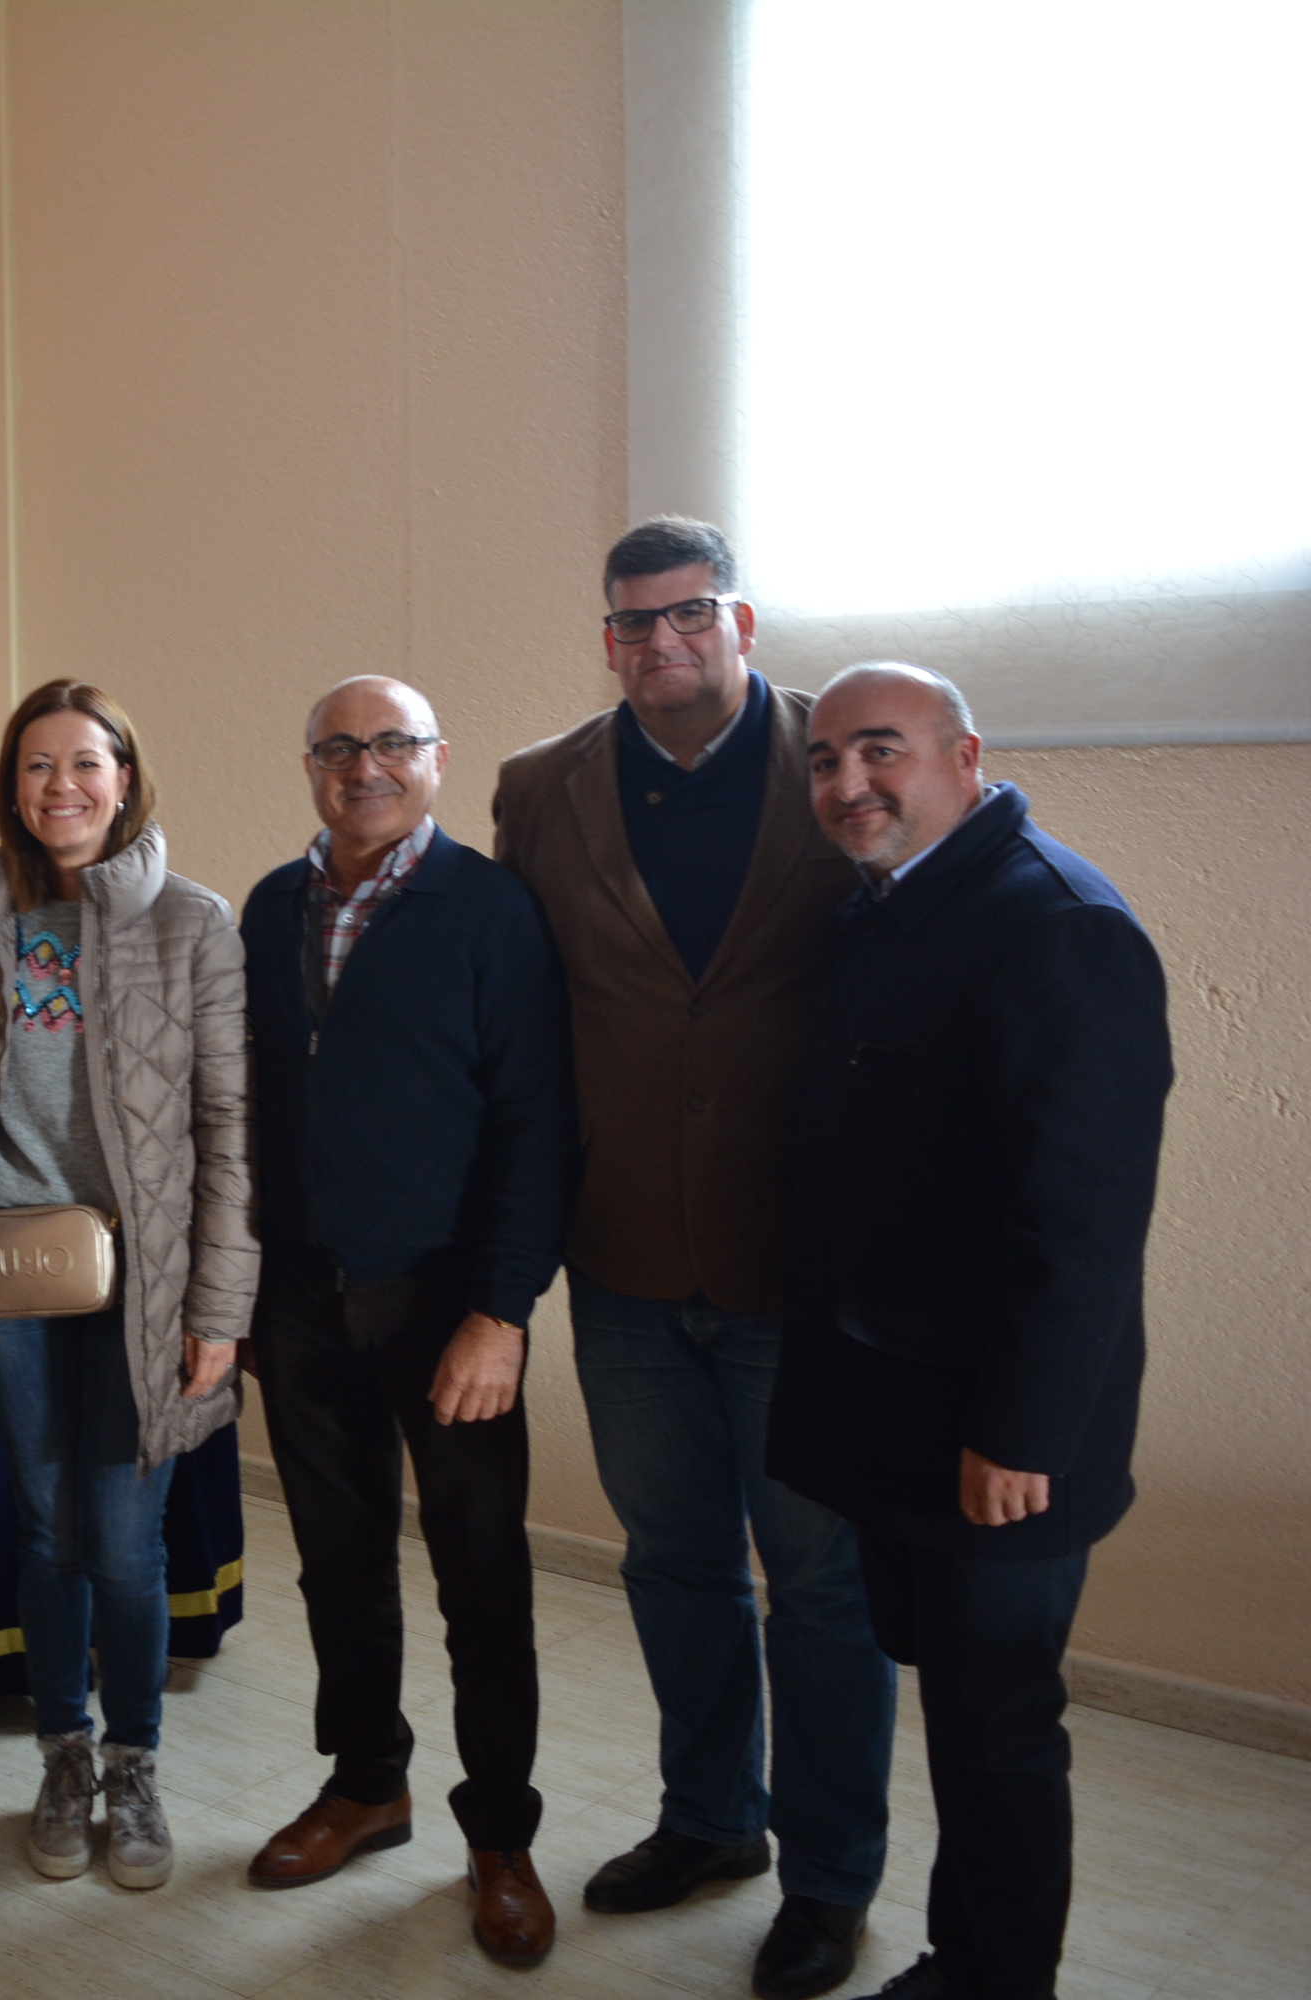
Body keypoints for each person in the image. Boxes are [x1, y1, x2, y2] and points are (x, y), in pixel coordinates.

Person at [493, 517, 895, 1999]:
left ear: (740, 621)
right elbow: (522, 1025)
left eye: (688, 616)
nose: (661, 644)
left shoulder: (834, 759)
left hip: (804, 1268)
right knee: (672, 1563)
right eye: (632, 623)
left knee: (827, 1587)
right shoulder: (541, 791)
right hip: (627, 1266)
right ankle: (711, 1820)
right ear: (607, 637)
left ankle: (832, 1877)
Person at [772, 666, 1170, 2000]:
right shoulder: (891, 910)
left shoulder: (1054, 925)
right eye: (825, 760)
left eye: (879, 752)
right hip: (899, 1421)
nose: (846, 785)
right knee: (951, 1708)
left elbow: (1084, 1227)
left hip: (997, 1443)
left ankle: (999, 1980)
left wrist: (1020, 1434)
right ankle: (961, 1958)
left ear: (964, 756)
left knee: (998, 1735)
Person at [239, 677, 579, 1967]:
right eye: (336, 745)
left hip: (447, 1304)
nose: (362, 766)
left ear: (436, 761)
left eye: (390, 743)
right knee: (336, 1563)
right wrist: (254, 1288)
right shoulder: (274, 905)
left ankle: (499, 1834)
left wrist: (500, 1312)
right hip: (305, 1296)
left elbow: (538, 1126)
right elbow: (256, 1104)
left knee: (482, 1579)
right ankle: (365, 1781)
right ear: (310, 765)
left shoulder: (491, 911)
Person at [0, 678, 255, 1891]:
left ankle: (134, 1761)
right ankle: (58, 1753)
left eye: (85, 761)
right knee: (40, 1524)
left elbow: (228, 1125)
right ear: (12, 786)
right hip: (16, 1265)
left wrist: (218, 1307)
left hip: (149, 1279)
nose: (59, 785)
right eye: (35, 765)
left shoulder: (189, 921)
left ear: (125, 776)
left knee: (124, 1542)